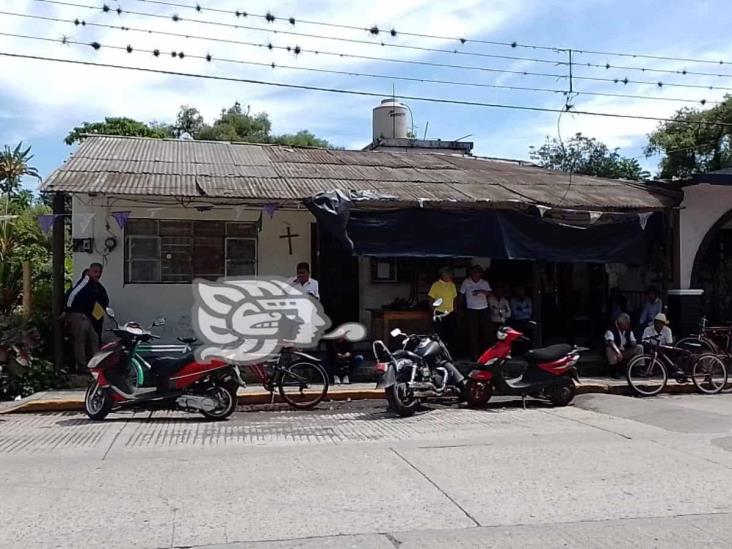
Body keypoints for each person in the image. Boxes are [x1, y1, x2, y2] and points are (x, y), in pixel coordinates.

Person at [64, 263, 109, 373]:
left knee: (94, 340)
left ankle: (95, 365)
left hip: (92, 317)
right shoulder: (84, 282)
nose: (97, 274)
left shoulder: (97, 285)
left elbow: (104, 299)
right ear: (89, 271)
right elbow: (71, 296)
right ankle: (82, 367)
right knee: (80, 341)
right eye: (95, 272)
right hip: (79, 315)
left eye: (99, 272)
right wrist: (68, 311)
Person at [459, 265, 492, 360]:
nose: (476, 274)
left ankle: (487, 354)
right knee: (473, 333)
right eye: (474, 272)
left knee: (486, 332)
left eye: (478, 272)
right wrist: (460, 309)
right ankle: (475, 355)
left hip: (483, 309)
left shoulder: (484, 283)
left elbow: (490, 293)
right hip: (471, 310)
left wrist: (481, 291)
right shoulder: (466, 282)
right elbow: (461, 295)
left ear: (480, 274)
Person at [604, 313, 643, 379]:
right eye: (626, 323)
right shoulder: (611, 330)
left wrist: (633, 343)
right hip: (615, 352)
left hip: (625, 351)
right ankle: (615, 371)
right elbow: (610, 341)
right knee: (609, 349)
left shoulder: (628, 330)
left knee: (639, 347)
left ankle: (637, 370)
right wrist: (618, 351)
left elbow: (633, 340)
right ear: (620, 323)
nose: (628, 325)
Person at [428, 267, 458, 350]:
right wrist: (433, 310)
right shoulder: (436, 285)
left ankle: (451, 354)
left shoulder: (452, 285)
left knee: (451, 334)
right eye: (449, 274)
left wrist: (455, 310)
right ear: (443, 275)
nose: (450, 276)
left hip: (450, 313)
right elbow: (430, 298)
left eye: (451, 274)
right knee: (440, 335)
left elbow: (455, 298)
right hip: (439, 313)